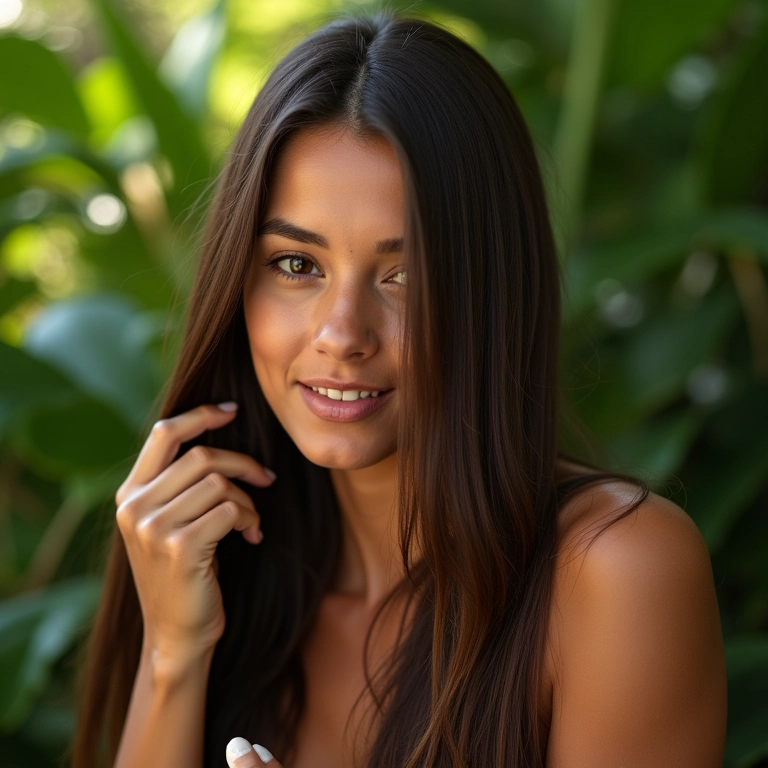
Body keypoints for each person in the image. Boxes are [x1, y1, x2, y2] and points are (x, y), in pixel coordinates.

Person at [70, 10, 727, 768]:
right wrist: (174, 651)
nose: (342, 332)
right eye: (296, 265)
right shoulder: (220, 570)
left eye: (406, 275)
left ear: (494, 295)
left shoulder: (616, 573)